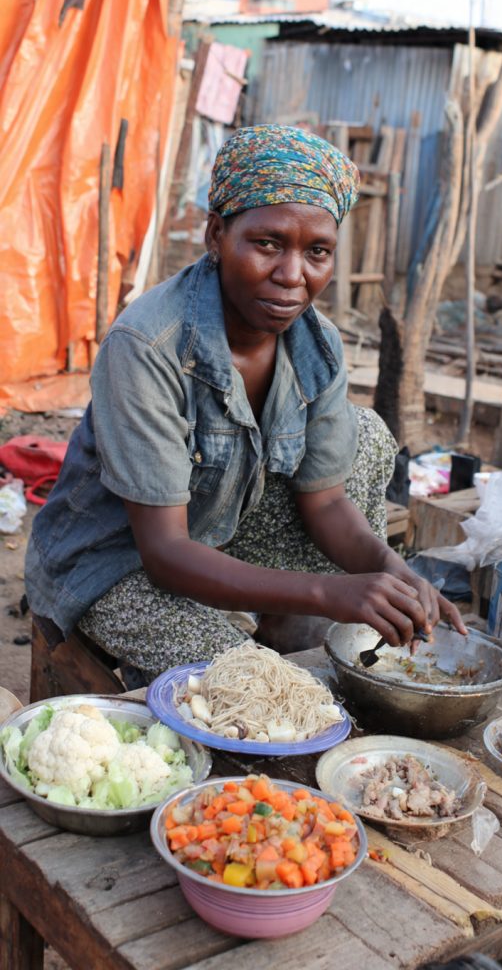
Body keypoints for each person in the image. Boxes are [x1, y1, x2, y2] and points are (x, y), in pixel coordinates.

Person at [25, 124, 465, 684]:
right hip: (116, 560)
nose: (292, 276)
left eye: (317, 252)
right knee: (258, 688)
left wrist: (396, 573)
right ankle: (220, 645)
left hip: (216, 527)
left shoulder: (316, 344)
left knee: (367, 434)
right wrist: (330, 592)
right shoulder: (147, 346)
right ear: (217, 235)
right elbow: (164, 551)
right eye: (268, 244)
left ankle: (276, 624)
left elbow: (327, 502)